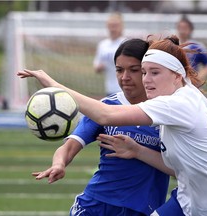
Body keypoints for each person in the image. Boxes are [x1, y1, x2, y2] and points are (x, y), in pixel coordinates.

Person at [17, 35, 207, 216]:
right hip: (187, 200)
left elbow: (105, 115)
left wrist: (51, 84)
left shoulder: (176, 105)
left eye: (154, 73)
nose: (146, 80)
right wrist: (137, 151)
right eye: (144, 72)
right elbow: (179, 169)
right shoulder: (173, 104)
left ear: (177, 75)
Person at [30, 39, 171, 216]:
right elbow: (69, 146)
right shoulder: (105, 107)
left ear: (146, 71)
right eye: (119, 70)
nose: (124, 77)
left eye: (133, 70)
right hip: (97, 204)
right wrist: (59, 164)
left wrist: (138, 150)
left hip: (143, 209)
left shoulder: (167, 111)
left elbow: (181, 169)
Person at [94, 12, 126, 95]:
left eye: (115, 25)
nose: (113, 29)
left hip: (124, 89)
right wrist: (100, 67)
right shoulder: (103, 45)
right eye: (111, 26)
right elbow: (96, 66)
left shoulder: (125, 43)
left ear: (121, 27)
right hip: (109, 89)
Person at [177, 15, 207, 82]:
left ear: (190, 30)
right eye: (180, 28)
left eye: (185, 28)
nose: (182, 31)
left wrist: (198, 78)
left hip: (191, 84)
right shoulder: (172, 45)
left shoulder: (197, 46)